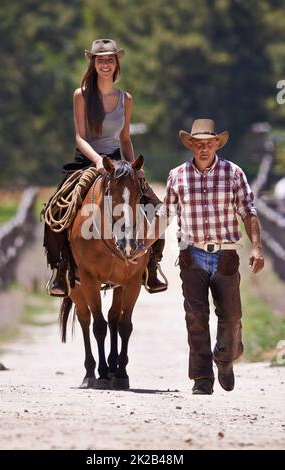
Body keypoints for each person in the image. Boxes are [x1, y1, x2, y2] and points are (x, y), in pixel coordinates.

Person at [134, 119, 265, 395]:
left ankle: (225, 358)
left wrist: (256, 247)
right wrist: (145, 244)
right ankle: (202, 378)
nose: (204, 148)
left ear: (217, 144)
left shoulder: (233, 173)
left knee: (231, 317)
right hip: (191, 255)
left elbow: (248, 212)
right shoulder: (177, 176)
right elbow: (165, 216)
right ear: (191, 145)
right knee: (195, 316)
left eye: (209, 143)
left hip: (226, 254)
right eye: (199, 144)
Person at [43, 38, 167, 297]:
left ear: (116, 63)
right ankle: (60, 268)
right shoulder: (82, 95)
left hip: (117, 164)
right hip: (86, 160)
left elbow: (124, 139)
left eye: (110, 59)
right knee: (55, 208)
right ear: (93, 63)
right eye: (101, 60)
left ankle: (152, 266)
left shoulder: (126, 99)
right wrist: (98, 161)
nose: (105, 64)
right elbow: (79, 137)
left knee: (155, 207)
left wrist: (134, 168)